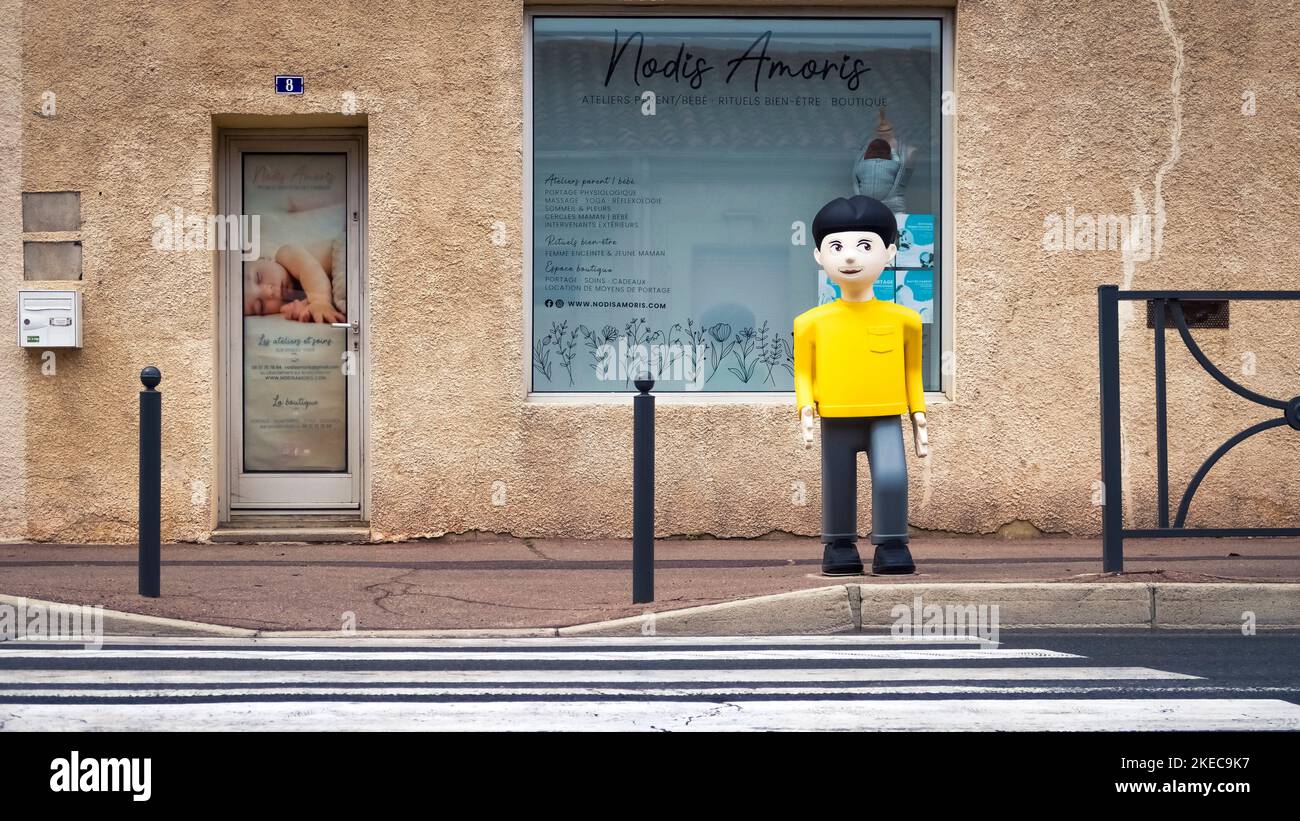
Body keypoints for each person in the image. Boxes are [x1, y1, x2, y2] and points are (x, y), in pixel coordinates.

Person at [794, 195, 929, 575]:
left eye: (864, 246)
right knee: (837, 482)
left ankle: (891, 544)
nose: (850, 257)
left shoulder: (905, 320)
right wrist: (804, 406)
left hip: (885, 414)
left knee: (891, 477)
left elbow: (912, 373)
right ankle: (838, 545)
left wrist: (918, 413)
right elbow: (803, 372)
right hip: (835, 414)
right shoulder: (810, 322)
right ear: (819, 256)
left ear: (888, 253)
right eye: (837, 246)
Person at [243, 238, 346, 324]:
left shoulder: (284, 254)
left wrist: (320, 301)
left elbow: (309, 268)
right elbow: (317, 308)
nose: (269, 292)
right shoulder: (295, 299)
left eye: (259, 277)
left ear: (265, 259)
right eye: (261, 306)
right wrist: (304, 310)